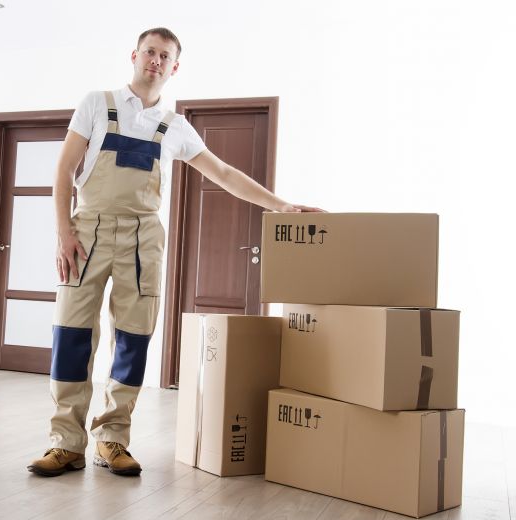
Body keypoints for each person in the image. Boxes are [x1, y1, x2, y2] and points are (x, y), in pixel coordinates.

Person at [28, 27, 322, 477]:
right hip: (87, 232)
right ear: (134, 55)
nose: (156, 60)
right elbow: (64, 169)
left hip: (144, 238)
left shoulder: (175, 126)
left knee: (133, 340)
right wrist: (63, 230)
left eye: (166, 56)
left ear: (174, 66)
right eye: (150, 51)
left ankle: (112, 439)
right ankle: (65, 443)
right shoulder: (96, 103)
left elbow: (223, 172)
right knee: (70, 334)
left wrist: (280, 205)